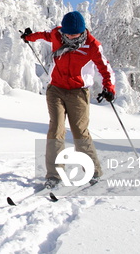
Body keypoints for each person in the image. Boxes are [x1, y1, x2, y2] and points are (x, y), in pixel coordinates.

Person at [21, 11, 115, 189]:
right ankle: (54, 175)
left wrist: (109, 88)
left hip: (78, 92)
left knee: (79, 131)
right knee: (55, 130)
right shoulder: (58, 34)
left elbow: (105, 68)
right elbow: (45, 36)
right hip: (55, 89)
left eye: (75, 34)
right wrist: (29, 37)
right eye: (68, 33)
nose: (70, 36)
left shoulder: (92, 45)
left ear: (82, 31)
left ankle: (93, 171)